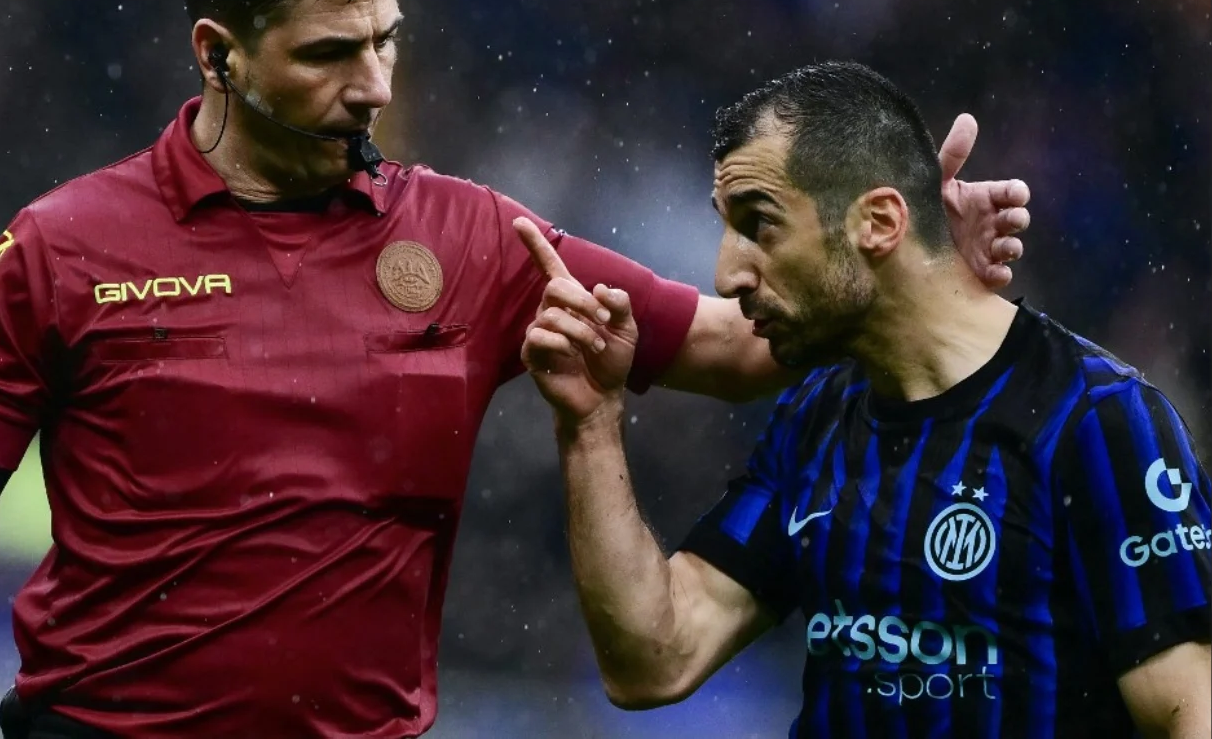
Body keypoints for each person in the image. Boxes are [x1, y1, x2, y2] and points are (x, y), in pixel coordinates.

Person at [0, 0, 1030, 739]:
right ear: (217, 53)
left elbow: (739, 348)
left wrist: (905, 264)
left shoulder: (474, 241)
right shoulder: (63, 247)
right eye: (330, 54)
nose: (374, 86)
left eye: (385, 42)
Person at [516, 61, 1211, 739]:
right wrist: (590, 424)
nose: (727, 274)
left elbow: (1191, 714)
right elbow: (652, 661)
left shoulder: (1097, 421)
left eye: (759, 225)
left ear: (878, 222)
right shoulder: (817, 416)